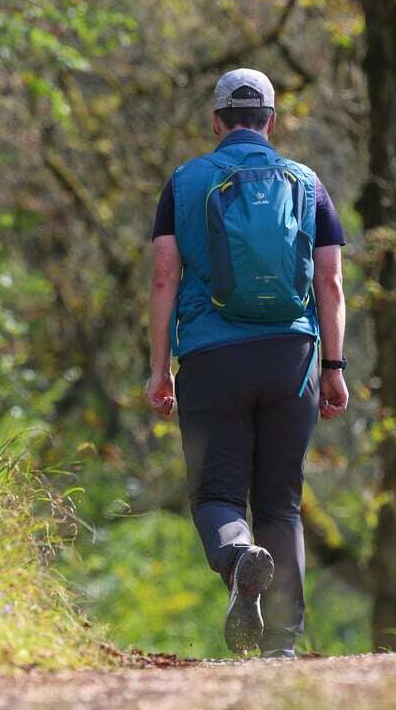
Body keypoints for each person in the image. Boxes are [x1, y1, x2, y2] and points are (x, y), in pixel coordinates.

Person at [145, 68, 349, 658]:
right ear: (272, 122)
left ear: (216, 121)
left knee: (217, 497)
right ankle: (282, 644)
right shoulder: (307, 184)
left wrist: (160, 369)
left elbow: (164, 277)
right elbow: (331, 282)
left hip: (211, 357)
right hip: (291, 357)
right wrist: (333, 366)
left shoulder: (185, 182)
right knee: (281, 502)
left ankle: (238, 560)